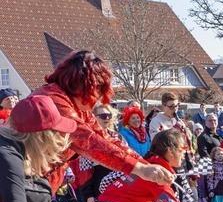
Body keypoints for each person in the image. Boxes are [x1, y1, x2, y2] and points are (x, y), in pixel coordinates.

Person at [31, 50, 173, 193]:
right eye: (97, 91)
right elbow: (90, 142)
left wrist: (146, 166)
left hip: (38, 187)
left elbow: (107, 139)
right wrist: (140, 169)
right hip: (22, 182)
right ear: (82, 84)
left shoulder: (79, 108)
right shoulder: (54, 101)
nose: (98, 99)